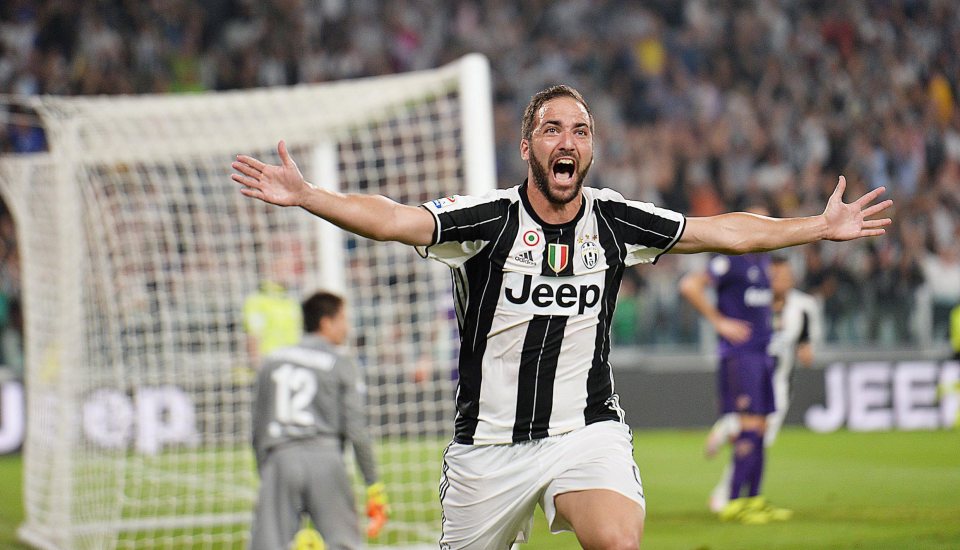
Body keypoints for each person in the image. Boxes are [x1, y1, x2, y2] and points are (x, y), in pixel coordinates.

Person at [231, 84, 892, 548]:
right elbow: (394, 219)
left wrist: (816, 227)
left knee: (615, 537)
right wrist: (311, 196)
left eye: (580, 130)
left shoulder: (614, 220)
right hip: (487, 448)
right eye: (552, 128)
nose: (567, 140)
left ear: (590, 151)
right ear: (528, 147)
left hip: (583, 431)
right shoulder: (487, 220)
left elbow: (723, 232)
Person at [686, 255, 822, 518]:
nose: (781, 280)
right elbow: (694, 286)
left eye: (786, 275)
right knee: (751, 429)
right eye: (777, 275)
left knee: (761, 433)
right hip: (747, 368)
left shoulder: (801, 307)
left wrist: (805, 350)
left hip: (777, 379)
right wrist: (720, 322)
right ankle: (730, 497)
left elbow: (805, 344)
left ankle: (752, 496)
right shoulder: (751, 293)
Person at [249, 291, 387, 550]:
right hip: (325, 458)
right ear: (326, 322)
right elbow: (356, 430)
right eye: (343, 319)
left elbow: (257, 428)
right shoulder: (341, 363)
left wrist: (266, 472)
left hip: (281, 458)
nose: (347, 327)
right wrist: (372, 484)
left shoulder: (272, 361)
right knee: (344, 543)